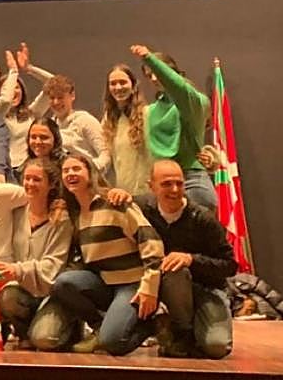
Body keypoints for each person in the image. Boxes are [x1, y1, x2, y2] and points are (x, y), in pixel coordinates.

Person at [42, 151, 163, 355]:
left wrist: (150, 286)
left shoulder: (114, 201)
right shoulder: (75, 213)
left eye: (76, 168)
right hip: (103, 284)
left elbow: (151, 241)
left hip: (133, 284)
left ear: (90, 172)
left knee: (113, 343)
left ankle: (155, 324)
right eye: (66, 170)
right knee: (62, 283)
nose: (71, 173)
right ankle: (99, 325)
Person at [137, 159, 235, 358]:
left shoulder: (204, 218)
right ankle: (175, 329)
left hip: (206, 289)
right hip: (156, 287)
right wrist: (115, 195)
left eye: (179, 183)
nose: (174, 189)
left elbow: (230, 265)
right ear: (151, 186)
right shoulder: (140, 208)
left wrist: (192, 259)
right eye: (166, 184)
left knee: (217, 347)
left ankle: (180, 331)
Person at [132, 46, 217, 212]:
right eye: (149, 76)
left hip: (191, 182)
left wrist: (150, 58)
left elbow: (178, 88)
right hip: (162, 184)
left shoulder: (194, 101)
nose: (155, 79)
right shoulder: (151, 110)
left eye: (158, 72)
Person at [0, 158, 72, 348]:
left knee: (45, 339)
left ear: (51, 184)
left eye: (37, 180)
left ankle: (68, 327)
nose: (30, 184)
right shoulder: (16, 212)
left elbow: (54, 266)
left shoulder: (61, 218)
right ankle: (24, 334)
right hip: (23, 291)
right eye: (27, 178)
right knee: (7, 297)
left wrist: (18, 269)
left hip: (53, 293)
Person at [42, 74, 110, 179]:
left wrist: (89, 171)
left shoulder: (85, 121)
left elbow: (106, 153)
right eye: (52, 98)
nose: (56, 102)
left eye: (60, 97)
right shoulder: (50, 126)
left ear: (72, 96)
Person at [100, 64, 153, 196]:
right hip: (123, 193)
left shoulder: (148, 114)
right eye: (113, 83)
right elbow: (105, 154)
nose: (118, 87)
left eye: (123, 82)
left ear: (134, 86)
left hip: (148, 193)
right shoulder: (108, 119)